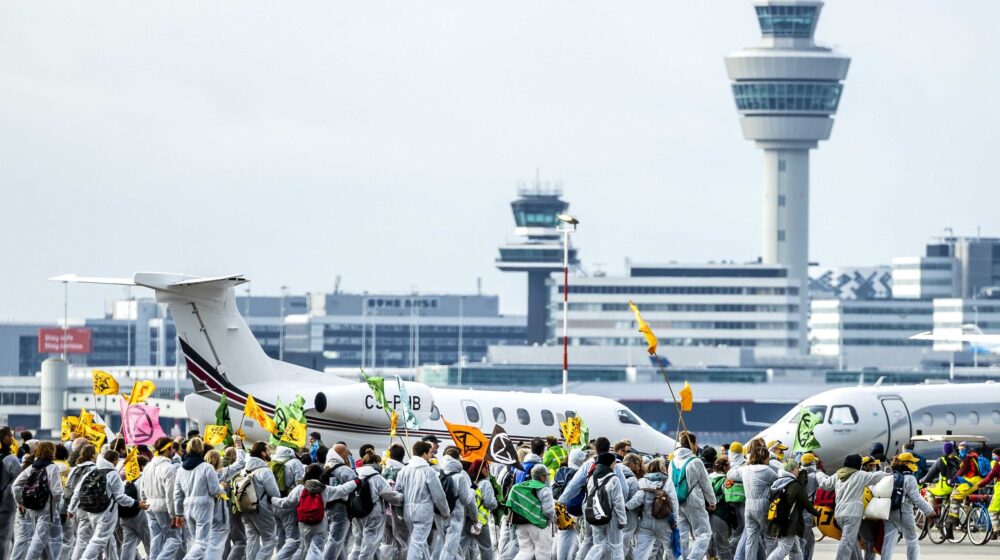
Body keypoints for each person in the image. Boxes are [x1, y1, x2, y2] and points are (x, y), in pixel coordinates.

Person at [557, 437, 628, 560]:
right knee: (615, 544)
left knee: (589, 540)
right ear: (609, 448)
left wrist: (561, 501)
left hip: (590, 506)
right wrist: (621, 513)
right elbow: (624, 489)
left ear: (595, 448)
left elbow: (574, 485)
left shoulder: (589, 464)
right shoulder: (614, 465)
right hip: (610, 510)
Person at [69, 449, 147, 560]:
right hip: (106, 513)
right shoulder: (113, 474)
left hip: (91, 511)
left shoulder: (92, 471)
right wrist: (136, 503)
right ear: (114, 460)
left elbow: (77, 492)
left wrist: (71, 509)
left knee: (109, 541)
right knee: (99, 540)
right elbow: (120, 497)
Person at [271, 463, 360, 560]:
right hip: (319, 523)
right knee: (316, 549)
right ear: (320, 476)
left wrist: (272, 499)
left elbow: (285, 503)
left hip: (303, 523)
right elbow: (342, 490)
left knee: (307, 547)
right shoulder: (324, 489)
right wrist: (356, 482)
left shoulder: (300, 489)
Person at [817, 453, 889, 560]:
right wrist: (891, 473)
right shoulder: (860, 475)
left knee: (853, 541)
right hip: (852, 514)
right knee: (847, 541)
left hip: (839, 514)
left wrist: (819, 473)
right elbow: (878, 476)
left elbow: (825, 484)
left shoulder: (838, 474)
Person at [395, 440, 450, 560]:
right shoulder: (428, 470)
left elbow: (397, 492)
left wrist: (399, 512)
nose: (431, 455)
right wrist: (445, 511)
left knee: (421, 543)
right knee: (417, 544)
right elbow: (438, 495)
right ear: (424, 453)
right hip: (423, 511)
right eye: (429, 452)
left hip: (407, 511)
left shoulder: (404, 470)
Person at [173, 437, 225, 559]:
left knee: (195, 541)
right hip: (204, 505)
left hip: (187, 506)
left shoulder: (181, 469)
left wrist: (178, 513)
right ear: (202, 449)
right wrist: (221, 486)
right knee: (202, 543)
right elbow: (214, 490)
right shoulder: (207, 467)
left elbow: (177, 493)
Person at [11, 441, 64, 560]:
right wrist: (58, 506)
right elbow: (57, 492)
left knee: (42, 540)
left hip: (31, 507)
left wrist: (20, 502)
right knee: (39, 540)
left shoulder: (32, 467)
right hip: (47, 509)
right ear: (51, 452)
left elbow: (16, 486)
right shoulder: (52, 467)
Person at [348, 449, 402, 560]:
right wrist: (402, 498)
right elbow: (390, 495)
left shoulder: (355, 474)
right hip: (372, 513)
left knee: (360, 544)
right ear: (374, 464)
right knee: (370, 544)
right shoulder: (376, 477)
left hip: (356, 512)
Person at [728, 438, 777, 560]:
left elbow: (730, 474)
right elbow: (779, 483)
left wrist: (742, 463)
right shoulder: (767, 471)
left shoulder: (745, 470)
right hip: (764, 506)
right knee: (770, 538)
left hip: (749, 507)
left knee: (751, 538)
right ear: (764, 458)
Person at [880, 453, 936, 560]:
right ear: (905, 463)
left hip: (889, 510)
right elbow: (916, 497)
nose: (914, 464)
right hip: (904, 510)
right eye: (912, 462)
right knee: (912, 539)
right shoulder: (910, 477)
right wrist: (929, 511)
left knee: (889, 538)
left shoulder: (892, 474)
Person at [671, 432, 716, 560]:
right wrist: (712, 501)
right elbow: (705, 484)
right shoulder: (695, 461)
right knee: (704, 534)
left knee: (682, 535)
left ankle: (681, 557)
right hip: (694, 501)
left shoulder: (673, 461)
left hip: (677, 501)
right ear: (693, 444)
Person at [627, 457, 679, 560]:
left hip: (646, 523)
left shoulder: (643, 481)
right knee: (672, 551)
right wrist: (675, 521)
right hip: (664, 523)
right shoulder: (667, 481)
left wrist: (625, 507)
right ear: (662, 468)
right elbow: (674, 502)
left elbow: (638, 499)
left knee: (640, 552)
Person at [765, 460, 818, 560]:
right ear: (793, 470)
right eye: (797, 468)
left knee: (796, 550)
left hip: (777, 520)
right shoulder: (795, 485)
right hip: (790, 523)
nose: (798, 470)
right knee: (784, 548)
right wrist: (818, 514)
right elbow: (807, 504)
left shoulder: (778, 483)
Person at [143, 436, 183, 560]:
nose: (174, 452)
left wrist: (144, 503)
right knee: (175, 539)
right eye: (172, 449)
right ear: (167, 450)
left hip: (149, 507)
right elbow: (170, 494)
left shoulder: (148, 466)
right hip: (164, 509)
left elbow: (142, 489)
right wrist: (173, 515)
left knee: (156, 539)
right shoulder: (169, 468)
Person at [240, 441, 282, 560]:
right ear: (263, 453)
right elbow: (275, 493)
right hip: (261, 509)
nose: (270, 452)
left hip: (245, 508)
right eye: (268, 450)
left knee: (252, 539)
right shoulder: (264, 470)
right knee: (271, 540)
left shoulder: (244, 469)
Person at [583, 452, 628, 560]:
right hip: (612, 517)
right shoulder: (613, 479)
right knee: (616, 546)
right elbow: (618, 502)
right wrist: (622, 520)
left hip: (595, 513)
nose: (614, 465)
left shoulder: (591, 478)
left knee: (598, 545)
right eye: (614, 463)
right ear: (609, 463)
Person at [438, 447, 478, 560]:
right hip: (455, 517)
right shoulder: (461, 476)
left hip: (440, 516)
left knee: (453, 549)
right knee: (449, 551)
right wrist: (473, 490)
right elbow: (468, 500)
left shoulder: (438, 473)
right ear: (458, 459)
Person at [510, 464, 556, 560]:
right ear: (543, 476)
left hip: (521, 524)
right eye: (546, 475)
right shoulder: (544, 490)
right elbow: (548, 511)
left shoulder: (522, 486)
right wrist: (554, 519)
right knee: (543, 553)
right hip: (538, 526)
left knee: (525, 551)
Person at [322, 443, 357, 560]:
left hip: (327, 507)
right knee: (336, 540)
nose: (348, 454)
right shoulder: (344, 469)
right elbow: (356, 485)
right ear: (340, 453)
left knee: (338, 541)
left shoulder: (326, 467)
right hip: (342, 509)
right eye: (346, 452)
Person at [271, 445, 305, 560]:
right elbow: (300, 482)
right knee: (294, 538)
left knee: (280, 535)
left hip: (275, 503)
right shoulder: (295, 462)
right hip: (289, 503)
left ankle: (279, 555)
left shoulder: (273, 463)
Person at [553, 449, 586, 560]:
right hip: (576, 509)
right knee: (576, 539)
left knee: (562, 536)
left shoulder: (561, 471)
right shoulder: (582, 473)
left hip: (560, 507)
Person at [0, 426, 22, 559]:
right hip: (5, 504)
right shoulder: (11, 459)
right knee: (4, 537)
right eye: (10, 435)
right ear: (5, 438)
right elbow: (18, 481)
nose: (12, 438)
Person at [708, 457, 733, 560]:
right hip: (720, 514)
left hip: (705, 515)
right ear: (726, 467)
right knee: (723, 548)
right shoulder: (726, 480)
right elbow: (729, 497)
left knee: (710, 547)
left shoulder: (707, 478)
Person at [724, 441, 746, 555]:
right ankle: (730, 551)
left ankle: (731, 552)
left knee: (734, 528)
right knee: (743, 529)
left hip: (728, 501)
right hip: (742, 501)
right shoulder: (745, 466)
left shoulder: (727, 465)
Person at [797, 453, 820, 560]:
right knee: (803, 540)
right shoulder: (814, 476)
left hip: (799, 508)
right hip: (807, 509)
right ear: (812, 463)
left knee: (810, 539)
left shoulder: (798, 475)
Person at [620, 453, 643, 559]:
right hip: (628, 516)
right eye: (638, 465)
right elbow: (635, 499)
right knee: (624, 543)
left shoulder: (616, 472)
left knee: (626, 544)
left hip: (614, 513)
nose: (639, 468)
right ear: (633, 464)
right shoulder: (632, 479)